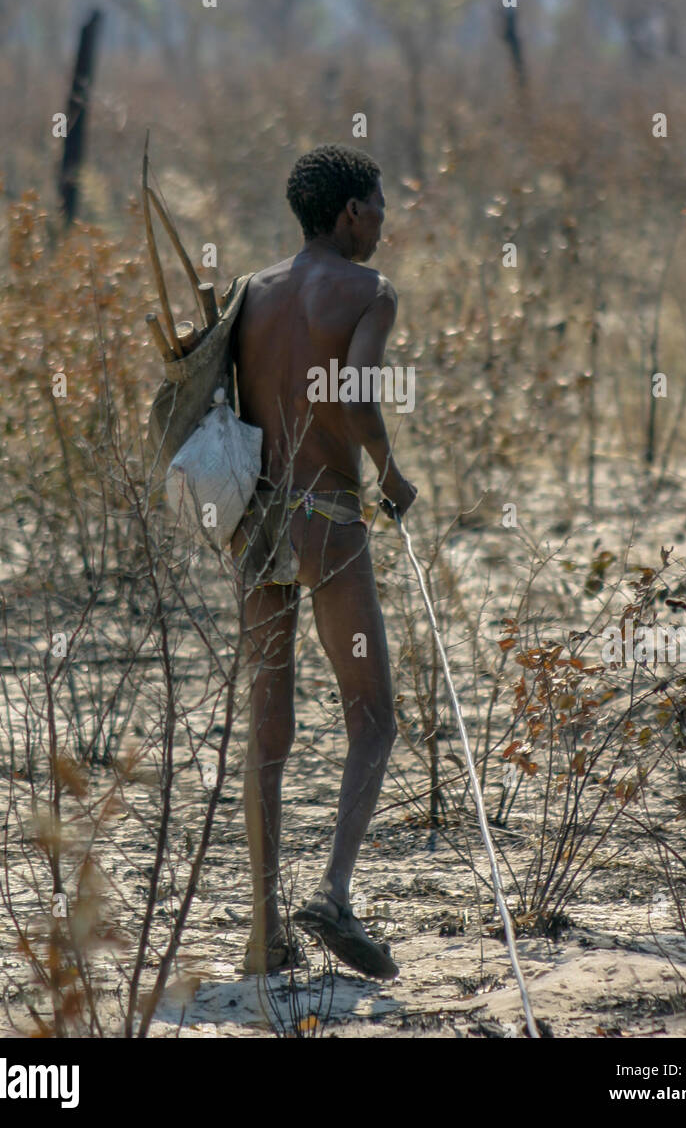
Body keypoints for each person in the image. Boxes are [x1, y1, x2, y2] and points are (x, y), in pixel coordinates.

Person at [230, 143, 416, 978]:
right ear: (350, 213)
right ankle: (333, 895)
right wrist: (392, 473)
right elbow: (355, 392)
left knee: (269, 727)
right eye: (379, 206)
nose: (383, 222)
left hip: (256, 524)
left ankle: (266, 931)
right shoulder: (367, 292)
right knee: (371, 715)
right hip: (331, 522)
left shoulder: (250, 295)